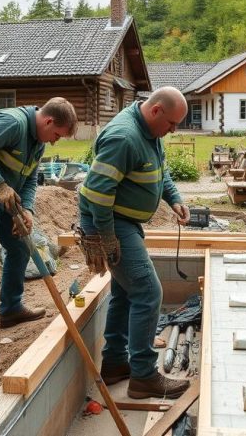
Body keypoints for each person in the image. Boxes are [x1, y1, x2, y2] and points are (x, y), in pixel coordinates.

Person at [78, 86, 192, 400]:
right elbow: (99, 193)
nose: (173, 131)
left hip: (122, 221)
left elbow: (161, 171)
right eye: (171, 124)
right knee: (148, 290)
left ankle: (115, 363)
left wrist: (174, 199)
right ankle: (143, 376)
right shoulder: (124, 138)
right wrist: (108, 237)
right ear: (156, 111)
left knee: (126, 291)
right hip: (110, 222)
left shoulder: (150, 133)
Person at [0, 97, 78, 358]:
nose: (55, 141)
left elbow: (30, 178)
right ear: (48, 120)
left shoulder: (38, 142)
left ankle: (10, 309)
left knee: (21, 247)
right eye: (56, 134)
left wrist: (28, 209)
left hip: (2, 195)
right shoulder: (12, 122)